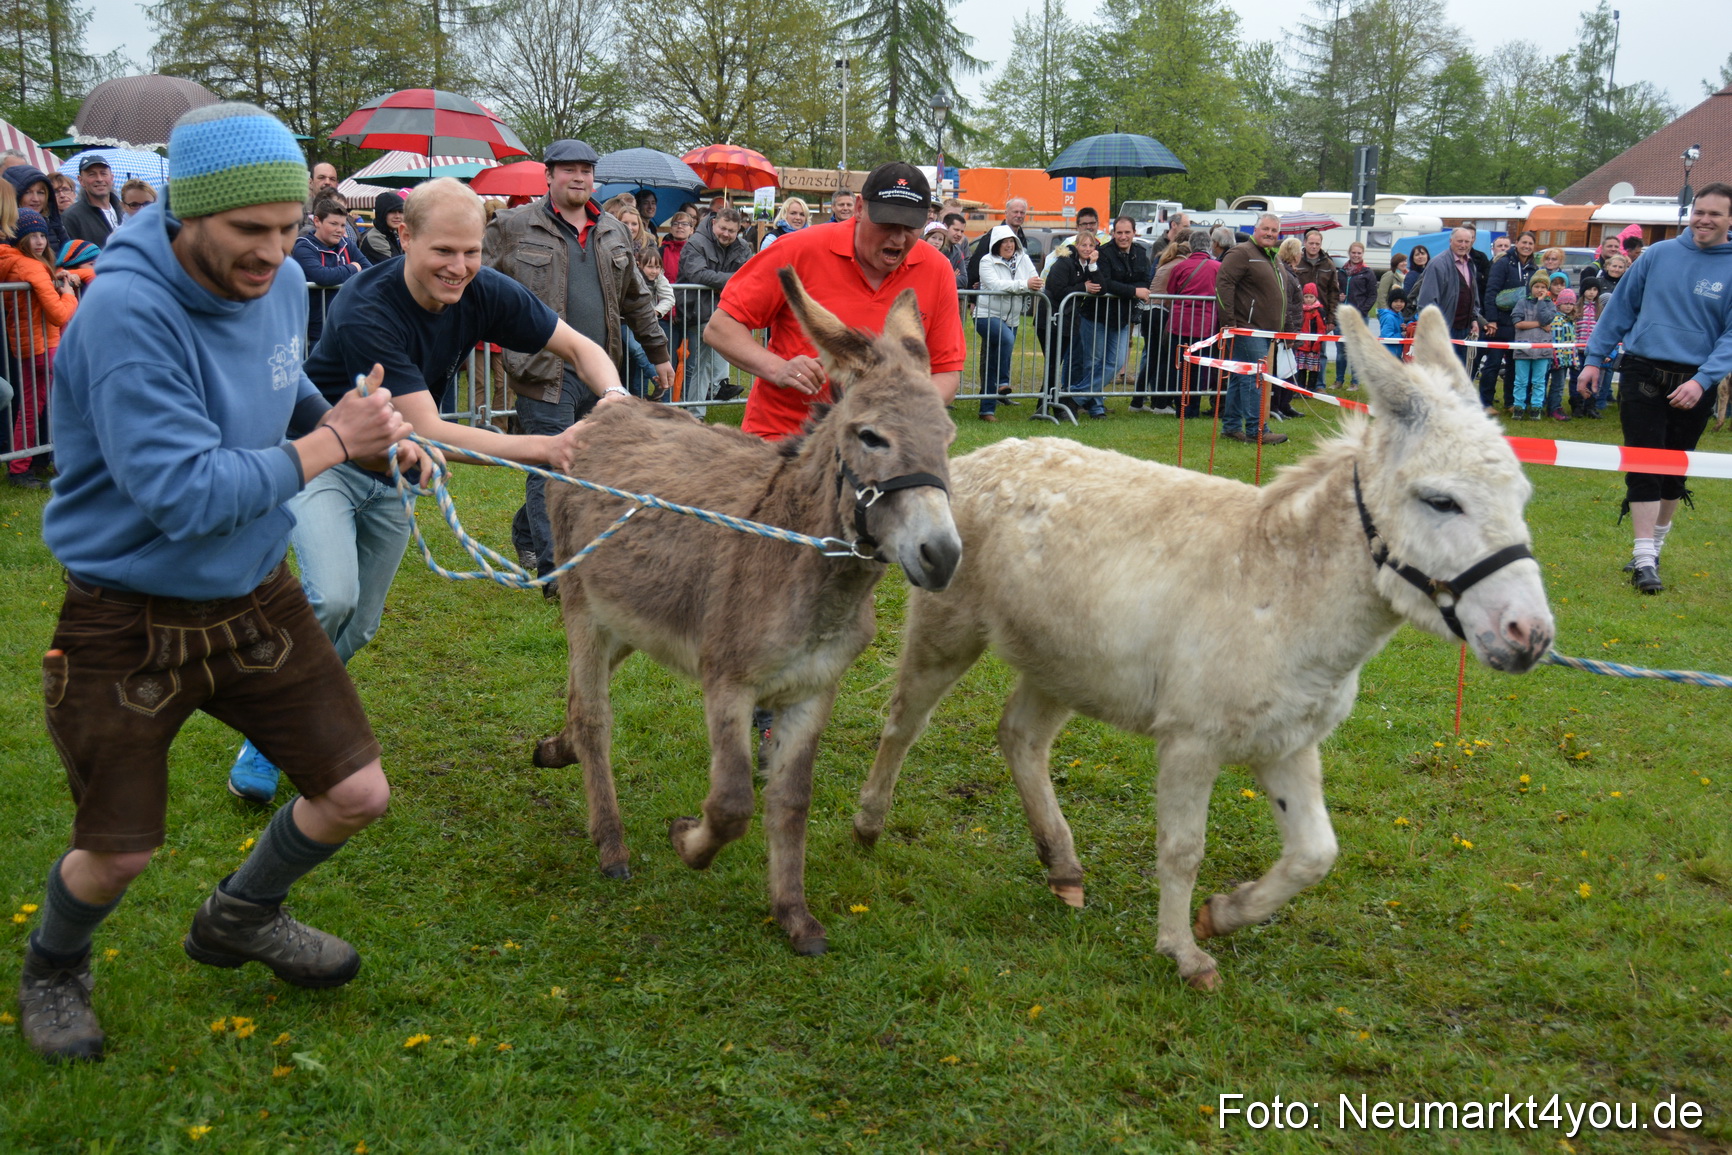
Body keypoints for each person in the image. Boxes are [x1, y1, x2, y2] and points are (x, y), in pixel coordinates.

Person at [16, 101, 420, 1066]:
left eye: (288, 229)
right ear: (186, 214)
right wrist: (332, 447)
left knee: (358, 791)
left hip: (252, 591)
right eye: (250, 230)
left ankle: (241, 914)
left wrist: (364, 436)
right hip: (125, 613)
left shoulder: (276, 285)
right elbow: (185, 495)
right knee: (117, 853)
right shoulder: (126, 314)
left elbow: (289, 390)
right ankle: (53, 964)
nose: (274, 254)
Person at [224, 177, 632, 802]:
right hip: (324, 462)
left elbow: (579, 346)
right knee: (330, 599)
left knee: (358, 626)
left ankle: (281, 707)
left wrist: (612, 398)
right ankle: (265, 733)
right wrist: (548, 449)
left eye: (471, 251)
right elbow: (430, 426)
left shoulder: (482, 290)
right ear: (404, 235)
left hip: (394, 477)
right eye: (444, 251)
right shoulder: (367, 304)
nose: (460, 267)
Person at [483, 139, 673, 589]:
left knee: (591, 466)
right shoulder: (511, 226)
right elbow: (475, 283)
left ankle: (531, 534)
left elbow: (636, 299)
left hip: (600, 370)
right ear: (548, 175)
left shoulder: (613, 230)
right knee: (550, 467)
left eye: (586, 170)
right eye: (568, 169)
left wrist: (660, 353)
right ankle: (557, 573)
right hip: (540, 370)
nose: (578, 177)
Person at [702, 160, 964, 441]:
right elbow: (721, 327)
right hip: (786, 440)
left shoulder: (937, 270)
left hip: (878, 448)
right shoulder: (798, 249)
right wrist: (778, 368)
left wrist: (903, 412)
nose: (898, 238)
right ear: (861, 208)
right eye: (886, 223)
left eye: (910, 226)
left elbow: (947, 372)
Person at [1577, 182, 1732, 595]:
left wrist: (1703, 381)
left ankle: (1654, 549)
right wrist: (1594, 360)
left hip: (1695, 381)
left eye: (1716, 213)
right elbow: (1621, 308)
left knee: (1673, 473)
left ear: (1730, 220)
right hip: (1642, 372)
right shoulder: (1658, 256)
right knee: (1644, 464)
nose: (1705, 219)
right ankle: (1644, 557)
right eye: (1700, 211)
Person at [0, 207, 81, 488]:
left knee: (30, 409)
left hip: (26, 346)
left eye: (42, 235)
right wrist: (69, 295)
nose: (39, 242)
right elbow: (58, 313)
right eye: (32, 235)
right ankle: (66, 463)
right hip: (46, 346)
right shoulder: (32, 267)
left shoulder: (13, 263)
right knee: (66, 405)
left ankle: (21, 467)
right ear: (20, 238)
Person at [1212, 212, 1288, 445]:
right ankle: (1257, 431)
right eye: (1265, 229)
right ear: (1256, 230)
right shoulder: (1241, 253)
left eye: (1274, 231)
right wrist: (1230, 323)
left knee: (1239, 377)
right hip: (1247, 328)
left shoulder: (1272, 257)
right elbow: (1223, 286)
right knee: (1253, 378)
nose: (1269, 234)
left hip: (1265, 330)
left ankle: (1232, 426)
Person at [677, 204, 755, 414]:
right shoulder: (696, 243)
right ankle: (697, 409)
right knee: (701, 363)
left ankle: (715, 389)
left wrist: (726, 282)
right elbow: (698, 275)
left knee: (716, 354)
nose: (726, 234)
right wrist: (732, 281)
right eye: (723, 228)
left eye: (731, 230)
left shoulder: (742, 247)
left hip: (724, 312)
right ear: (714, 224)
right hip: (696, 311)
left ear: (738, 230)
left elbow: (751, 273)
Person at [973, 225, 1040, 420]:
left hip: (1012, 317)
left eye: (1011, 241)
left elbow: (1034, 278)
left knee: (993, 361)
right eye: (1004, 242)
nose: (1009, 245)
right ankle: (1004, 381)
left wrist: (1034, 285)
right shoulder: (987, 261)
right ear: (996, 245)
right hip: (986, 315)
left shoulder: (1023, 259)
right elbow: (995, 285)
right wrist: (1024, 285)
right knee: (1007, 339)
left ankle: (986, 410)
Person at [1045, 228, 1112, 416]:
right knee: (1053, 362)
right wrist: (1082, 287)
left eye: (1091, 245)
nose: (1088, 248)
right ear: (1076, 246)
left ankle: (1058, 403)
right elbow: (1056, 289)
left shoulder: (1088, 264)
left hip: (1070, 319)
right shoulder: (1065, 262)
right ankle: (1045, 405)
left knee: (1066, 360)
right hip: (1052, 318)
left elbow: (1101, 288)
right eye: (1084, 245)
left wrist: (1093, 266)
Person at [293, 197, 372, 343]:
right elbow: (322, 276)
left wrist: (339, 273)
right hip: (316, 329)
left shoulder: (346, 244)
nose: (339, 230)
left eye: (342, 225)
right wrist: (353, 267)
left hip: (347, 324)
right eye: (333, 224)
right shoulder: (303, 247)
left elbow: (369, 271)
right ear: (317, 221)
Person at [1479, 230, 1537, 410]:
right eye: (1524, 242)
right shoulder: (1503, 263)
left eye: (1530, 244)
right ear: (1517, 243)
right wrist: (1492, 320)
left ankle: (1511, 402)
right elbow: (1491, 292)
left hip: (1520, 324)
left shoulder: (1534, 268)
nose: (1527, 246)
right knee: (1493, 363)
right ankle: (1485, 402)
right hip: (1500, 323)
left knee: (1515, 365)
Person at [1415, 225, 1482, 371]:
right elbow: (1426, 302)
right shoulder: (1437, 264)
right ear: (1451, 241)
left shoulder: (1471, 264)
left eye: (1467, 241)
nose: (1463, 245)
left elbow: (1473, 295)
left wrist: (1474, 318)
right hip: (1444, 329)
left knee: (1459, 373)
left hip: (1464, 329)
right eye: (1459, 241)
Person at [1507, 273, 1556, 420]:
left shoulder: (1550, 305)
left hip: (1542, 349)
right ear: (1531, 287)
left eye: (1543, 287)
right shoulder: (1522, 303)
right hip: (1523, 349)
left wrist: (1541, 302)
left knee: (1539, 381)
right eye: (1536, 286)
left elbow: (1547, 318)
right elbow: (1518, 323)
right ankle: (1519, 406)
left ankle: (1536, 407)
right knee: (1521, 381)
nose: (1539, 290)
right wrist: (1540, 325)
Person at [4, 164, 71, 251]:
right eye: (28, 192)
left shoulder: (55, 225)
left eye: (40, 192)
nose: (35, 199)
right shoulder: (5, 231)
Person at [60, 156, 125, 245]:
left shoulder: (125, 210)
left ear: (111, 177)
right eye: (92, 174)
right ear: (81, 180)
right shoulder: (71, 217)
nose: (99, 179)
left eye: (103, 173)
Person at [1548, 287, 1578, 422]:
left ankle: (1556, 406)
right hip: (1558, 359)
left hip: (1566, 358)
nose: (1568, 306)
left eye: (1571, 304)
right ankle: (1553, 408)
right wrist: (1557, 359)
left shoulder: (1569, 320)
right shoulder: (1557, 320)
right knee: (1557, 385)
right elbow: (1556, 340)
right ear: (1559, 304)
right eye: (1566, 303)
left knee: (1560, 385)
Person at [1575, 279, 1604, 416]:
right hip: (1578, 350)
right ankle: (1578, 405)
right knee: (1578, 377)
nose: (1592, 292)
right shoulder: (1577, 308)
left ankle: (1590, 406)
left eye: (1595, 290)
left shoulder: (1600, 309)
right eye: (1589, 289)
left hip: (1592, 351)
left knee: (1593, 379)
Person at [358, 190, 404, 263]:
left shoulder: (393, 233)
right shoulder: (375, 237)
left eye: (401, 211)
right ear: (382, 213)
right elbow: (395, 267)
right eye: (392, 211)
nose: (397, 216)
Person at [1379, 288, 1408, 359]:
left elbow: (1396, 331)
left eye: (1401, 301)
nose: (1399, 304)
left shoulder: (1399, 315)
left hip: (1396, 353)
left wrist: (1404, 328)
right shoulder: (1389, 317)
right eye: (1395, 301)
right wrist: (1402, 335)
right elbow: (1386, 337)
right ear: (1390, 302)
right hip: (1389, 355)